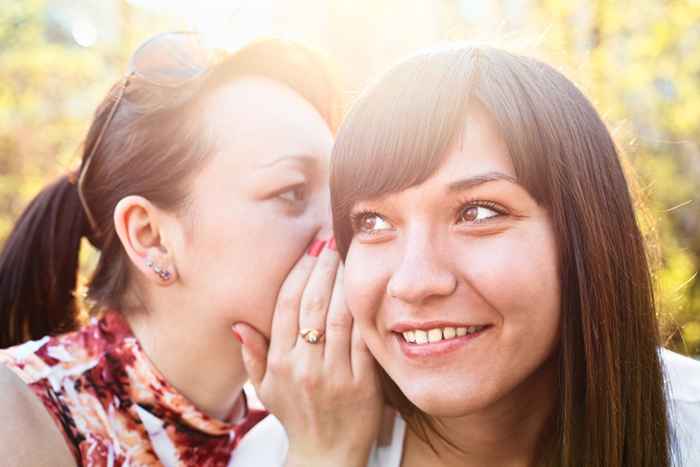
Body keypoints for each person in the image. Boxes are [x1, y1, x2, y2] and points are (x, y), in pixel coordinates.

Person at [237, 45, 700, 466]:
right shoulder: (281, 455)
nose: (413, 282)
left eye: (478, 212)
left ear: (584, 234)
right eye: (373, 223)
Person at [0, 32, 382, 466]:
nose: (344, 229)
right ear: (151, 237)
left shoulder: (307, 423)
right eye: (292, 192)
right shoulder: (17, 414)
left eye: (338, 194)